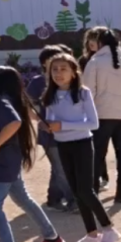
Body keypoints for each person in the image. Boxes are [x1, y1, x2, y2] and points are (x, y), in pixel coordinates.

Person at [0, 66, 65, 242]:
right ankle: (52, 237)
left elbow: (13, 122)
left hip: (1, 162)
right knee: (23, 198)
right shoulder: (6, 99)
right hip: (9, 160)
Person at [41, 51, 120, 242]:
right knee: (76, 192)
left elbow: (93, 123)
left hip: (82, 144)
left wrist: (62, 125)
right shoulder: (49, 95)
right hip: (63, 146)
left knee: (86, 190)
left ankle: (109, 229)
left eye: (63, 69)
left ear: (74, 72)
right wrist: (48, 126)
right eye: (54, 70)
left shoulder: (83, 92)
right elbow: (51, 121)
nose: (58, 73)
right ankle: (92, 235)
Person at [82, 27, 121, 204]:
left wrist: (88, 113)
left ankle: (92, 193)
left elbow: (87, 93)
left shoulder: (94, 63)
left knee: (96, 155)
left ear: (100, 43)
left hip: (101, 115)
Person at [26, 46, 77, 213]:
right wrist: (40, 121)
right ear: (45, 63)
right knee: (62, 168)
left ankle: (53, 199)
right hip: (50, 135)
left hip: (69, 132)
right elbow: (27, 105)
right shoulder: (38, 82)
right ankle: (72, 201)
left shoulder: (70, 82)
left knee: (60, 167)